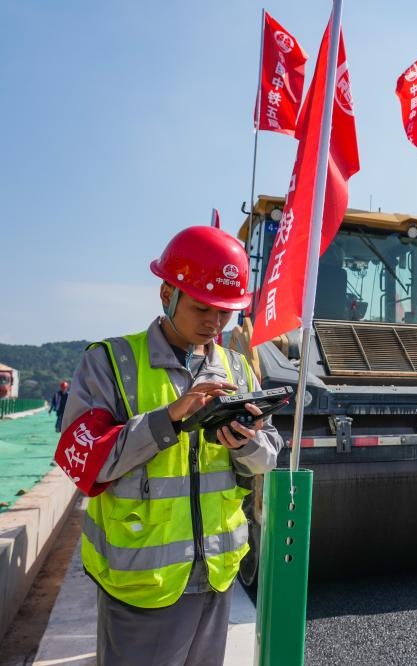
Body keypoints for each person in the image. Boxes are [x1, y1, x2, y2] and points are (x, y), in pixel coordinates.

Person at [54, 226, 283, 666]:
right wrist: (169, 419)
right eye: (203, 309)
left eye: (226, 314)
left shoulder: (236, 366)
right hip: (142, 580)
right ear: (166, 294)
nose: (215, 324)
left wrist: (245, 445)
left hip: (216, 575)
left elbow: (268, 458)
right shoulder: (109, 362)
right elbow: (86, 464)